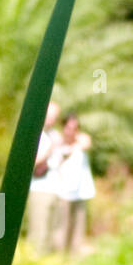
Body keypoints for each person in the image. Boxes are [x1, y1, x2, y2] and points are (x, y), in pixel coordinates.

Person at [51, 114, 94, 255]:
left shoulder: (80, 142)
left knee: (78, 230)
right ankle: (59, 258)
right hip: (63, 193)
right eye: (69, 128)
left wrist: (70, 148)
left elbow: (86, 141)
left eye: (75, 128)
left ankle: (73, 259)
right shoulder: (57, 144)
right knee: (61, 230)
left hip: (81, 193)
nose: (71, 131)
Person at [27, 101, 63, 252]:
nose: (51, 119)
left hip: (56, 189)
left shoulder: (55, 134)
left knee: (51, 235)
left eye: (55, 116)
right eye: (49, 115)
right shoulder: (34, 134)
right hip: (39, 189)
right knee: (38, 234)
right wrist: (50, 148)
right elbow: (31, 164)